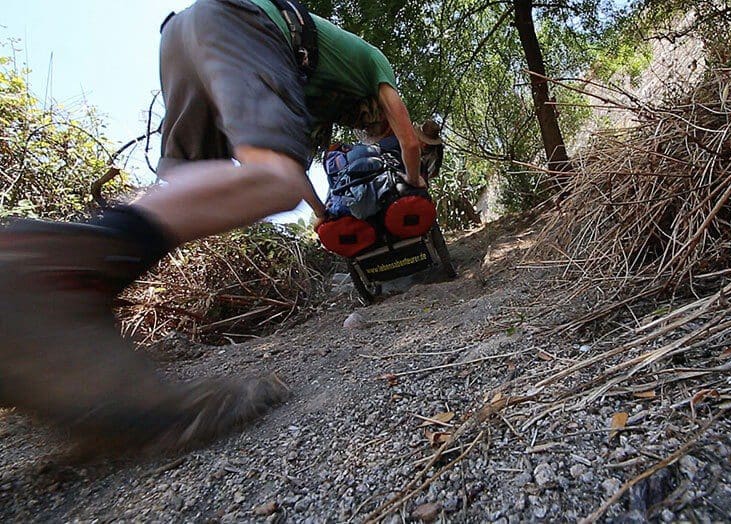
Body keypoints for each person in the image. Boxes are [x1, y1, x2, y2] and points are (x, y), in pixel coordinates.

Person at [0, 0, 424, 454]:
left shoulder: (321, 95)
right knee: (275, 182)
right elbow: (410, 139)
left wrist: (321, 214)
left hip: (181, 37)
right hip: (243, 20)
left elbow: (292, 172)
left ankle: (68, 304)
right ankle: (47, 268)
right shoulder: (373, 62)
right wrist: (414, 186)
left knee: (190, 189)